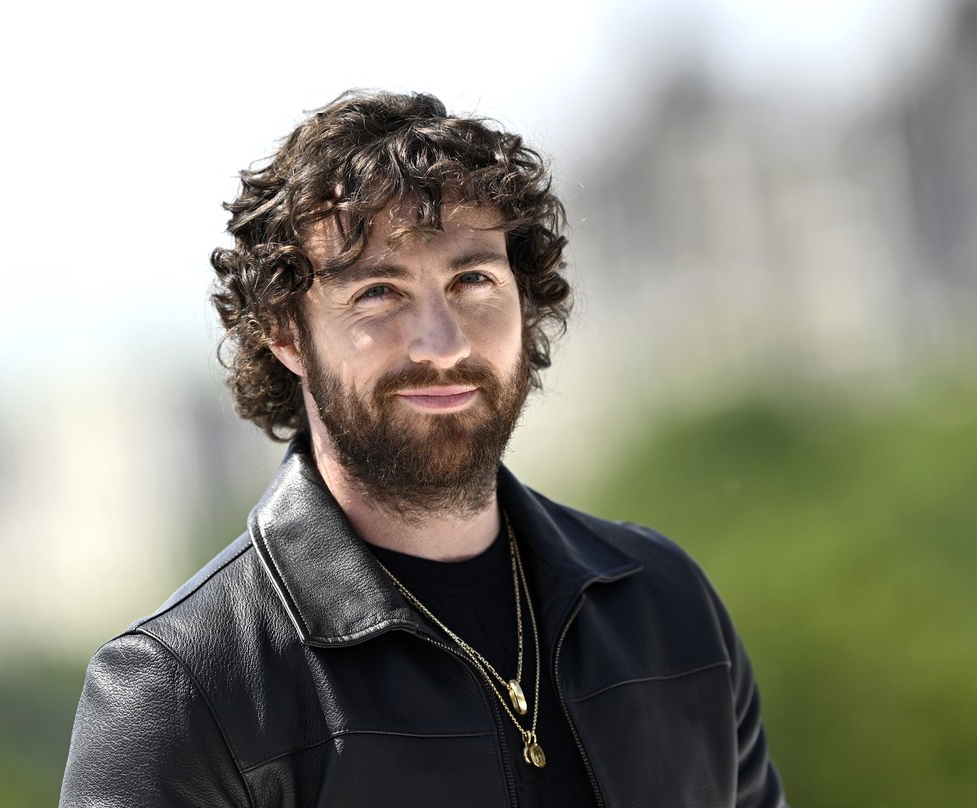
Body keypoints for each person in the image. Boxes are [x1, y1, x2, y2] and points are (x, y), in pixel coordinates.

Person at [60, 90, 787, 807]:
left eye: (472, 280)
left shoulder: (666, 607)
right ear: (286, 334)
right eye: (378, 293)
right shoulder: (182, 691)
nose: (442, 345)